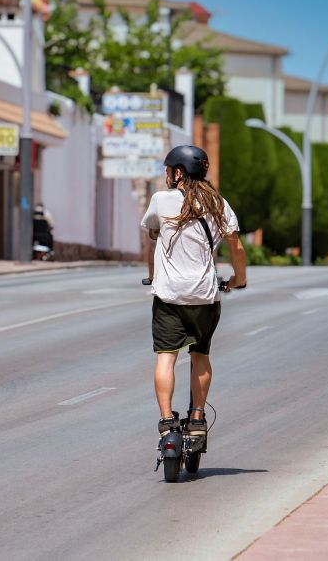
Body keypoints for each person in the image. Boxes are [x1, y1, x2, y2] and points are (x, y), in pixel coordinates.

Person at [141, 145, 247, 439]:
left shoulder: (161, 200)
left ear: (178, 173)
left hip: (169, 296)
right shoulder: (219, 204)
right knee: (200, 355)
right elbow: (236, 247)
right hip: (204, 295)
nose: (165, 176)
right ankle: (198, 419)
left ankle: (166, 421)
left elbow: (151, 230)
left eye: (167, 171)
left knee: (166, 356)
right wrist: (239, 280)